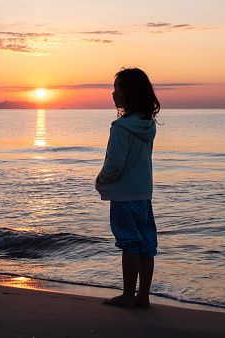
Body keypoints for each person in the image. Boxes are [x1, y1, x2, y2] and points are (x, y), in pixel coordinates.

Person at [95, 67, 160, 308]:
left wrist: (102, 179)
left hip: (124, 196)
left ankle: (127, 295)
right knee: (146, 245)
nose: (113, 94)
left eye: (117, 89)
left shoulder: (121, 128)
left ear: (128, 93)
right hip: (144, 194)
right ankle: (143, 296)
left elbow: (115, 164)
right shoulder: (147, 126)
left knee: (129, 244)